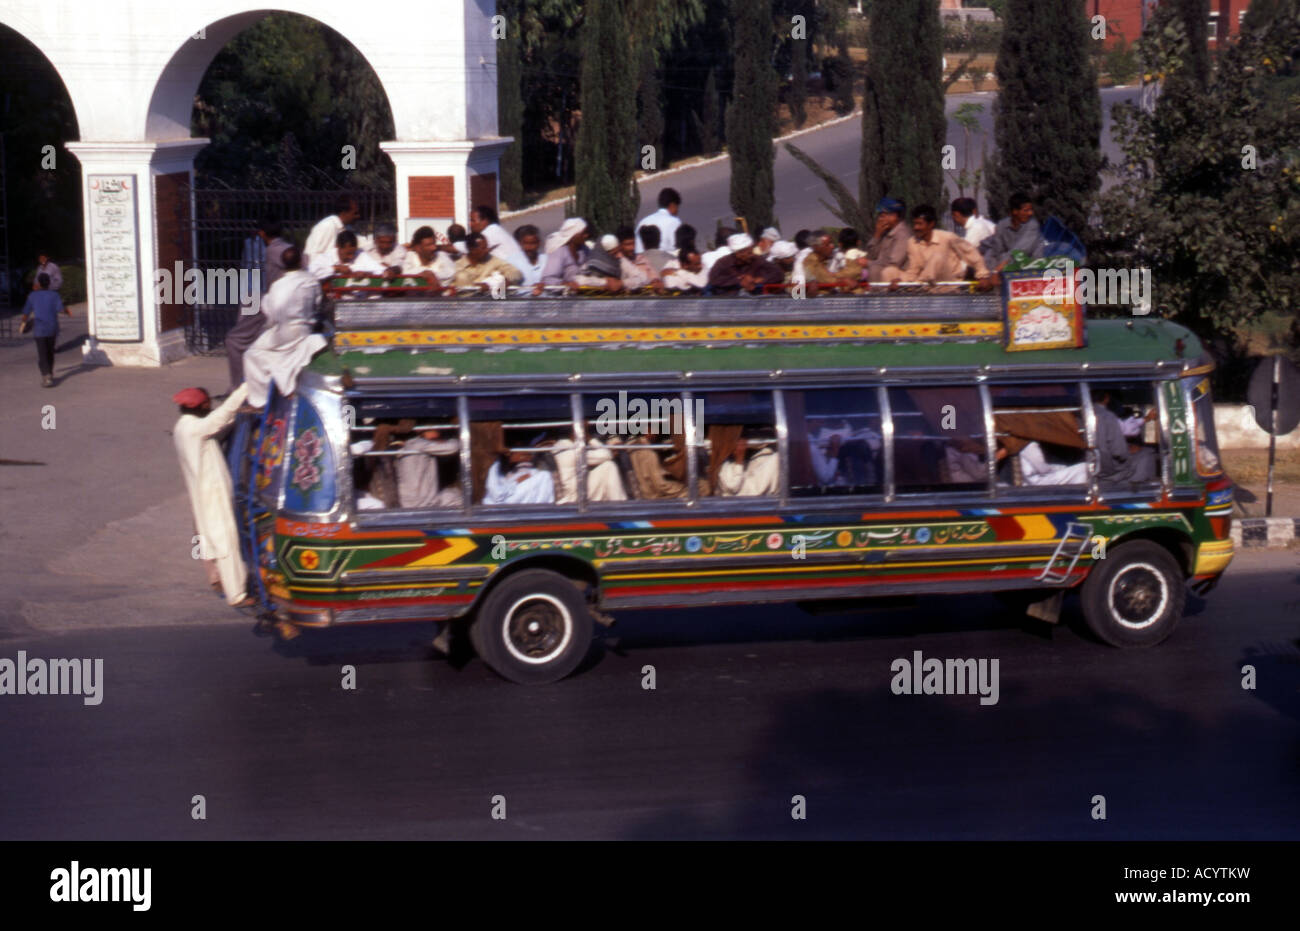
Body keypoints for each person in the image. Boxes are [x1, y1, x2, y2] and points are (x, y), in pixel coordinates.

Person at [172, 383, 255, 608]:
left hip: (202, 494)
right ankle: (236, 593)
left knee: (211, 539)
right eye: (208, 404)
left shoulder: (183, 427)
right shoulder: (194, 428)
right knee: (225, 541)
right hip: (212, 496)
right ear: (203, 405)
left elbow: (220, 421)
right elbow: (223, 415)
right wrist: (245, 388)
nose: (211, 406)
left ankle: (219, 580)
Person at [241, 247, 325, 408]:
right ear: (301, 261)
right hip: (305, 331)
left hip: (283, 334)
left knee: (250, 354)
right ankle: (281, 378)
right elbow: (317, 305)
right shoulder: (312, 281)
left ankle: (259, 400)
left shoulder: (278, 286)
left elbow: (272, 315)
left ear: (282, 264)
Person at [226, 218, 291, 389]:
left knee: (234, 340)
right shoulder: (288, 249)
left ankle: (239, 389)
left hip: (269, 303)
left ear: (262, 233)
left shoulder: (273, 250)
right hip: (262, 296)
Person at [893, 205, 993, 286]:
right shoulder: (912, 242)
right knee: (889, 272)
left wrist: (982, 275)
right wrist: (901, 280)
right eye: (914, 224)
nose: (916, 227)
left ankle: (919, 288)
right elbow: (914, 269)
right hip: (926, 282)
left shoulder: (947, 237)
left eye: (920, 224)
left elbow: (971, 253)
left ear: (931, 224)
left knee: (937, 257)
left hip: (950, 281)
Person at [1092, 390, 1158, 484]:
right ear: (1106, 398)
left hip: (1094, 462)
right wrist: (1127, 450)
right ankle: (1140, 487)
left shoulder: (1086, 413)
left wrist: (1147, 418)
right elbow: (1119, 451)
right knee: (1148, 453)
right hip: (1108, 468)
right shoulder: (1107, 416)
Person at [20, 273, 70, 387]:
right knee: (50, 352)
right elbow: (61, 310)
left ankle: (46, 376)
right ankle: (49, 373)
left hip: (39, 329)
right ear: (49, 283)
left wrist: (23, 323)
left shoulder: (32, 296)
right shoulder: (54, 295)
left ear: (39, 283)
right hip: (52, 328)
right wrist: (67, 310)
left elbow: (25, 313)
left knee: (42, 354)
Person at [395, 428, 462, 508]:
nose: (439, 433)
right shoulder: (419, 444)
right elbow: (453, 447)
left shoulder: (407, 446)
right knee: (459, 497)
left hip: (407, 500)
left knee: (452, 493)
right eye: (436, 430)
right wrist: (455, 439)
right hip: (422, 501)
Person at [549, 436, 627, 504]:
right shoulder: (571, 450)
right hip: (575, 496)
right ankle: (621, 507)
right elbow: (607, 454)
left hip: (569, 492)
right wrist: (590, 438)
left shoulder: (558, 446)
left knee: (604, 467)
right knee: (609, 466)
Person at [980, 192, 1042, 272]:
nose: (1030, 213)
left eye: (1031, 210)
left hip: (1028, 264)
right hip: (1004, 264)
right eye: (1026, 210)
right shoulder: (1002, 225)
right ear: (1015, 211)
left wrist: (997, 270)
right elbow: (997, 250)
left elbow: (1020, 251)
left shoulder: (1032, 225)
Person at [707, 233, 784, 293]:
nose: (752, 255)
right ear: (738, 254)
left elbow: (778, 273)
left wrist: (756, 280)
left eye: (751, 252)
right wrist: (739, 281)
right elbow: (714, 280)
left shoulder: (757, 259)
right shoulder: (723, 263)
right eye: (749, 253)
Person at [470, 204, 530, 273]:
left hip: (514, 273)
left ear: (485, 221)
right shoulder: (495, 229)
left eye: (473, 221)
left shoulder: (489, 233)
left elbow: (469, 253)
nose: (470, 224)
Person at [452, 232, 523, 289]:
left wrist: (507, 280)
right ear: (472, 249)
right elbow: (461, 286)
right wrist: (477, 287)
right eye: (483, 248)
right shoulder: (458, 266)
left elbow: (516, 272)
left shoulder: (492, 260)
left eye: (487, 247)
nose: (487, 250)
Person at [308, 230, 387, 281]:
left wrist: (366, 274)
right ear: (338, 247)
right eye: (348, 253)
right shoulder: (326, 257)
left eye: (353, 253)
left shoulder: (360, 254)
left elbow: (380, 270)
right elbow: (311, 273)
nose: (352, 257)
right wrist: (336, 269)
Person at [485, 447, 555, 505]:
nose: (524, 456)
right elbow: (497, 495)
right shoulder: (495, 468)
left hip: (511, 497)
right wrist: (517, 482)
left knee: (543, 476)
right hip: (504, 502)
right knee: (545, 476)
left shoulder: (509, 467)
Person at [864, 197, 911, 282]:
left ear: (894, 216)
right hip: (880, 275)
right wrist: (877, 235)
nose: (880, 219)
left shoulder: (902, 235)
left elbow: (894, 264)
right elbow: (871, 256)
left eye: (883, 215)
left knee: (875, 269)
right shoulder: (885, 233)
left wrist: (868, 263)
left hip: (896, 279)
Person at [304, 195, 360, 264]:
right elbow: (312, 256)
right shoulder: (327, 226)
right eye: (355, 213)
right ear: (344, 213)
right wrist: (333, 268)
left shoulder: (347, 228)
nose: (358, 216)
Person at [1015, 441, 1089, 485]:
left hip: (1036, 479)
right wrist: (1063, 468)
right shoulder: (1028, 446)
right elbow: (1043, 469)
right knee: (1083, 469)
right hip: (1037, 482)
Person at [635, 187, 683, 255]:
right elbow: (678, 249)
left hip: (643, 261)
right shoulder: (674, 222)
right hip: (666, 262)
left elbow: (637, 249)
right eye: (677, 208)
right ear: (672, 205)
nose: (677, 211)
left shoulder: (643, 222)